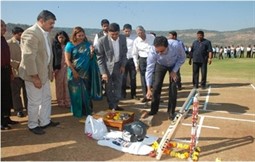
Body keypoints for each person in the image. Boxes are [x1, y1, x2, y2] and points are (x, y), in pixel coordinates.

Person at [19, 10, 59, 135]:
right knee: (35, 101)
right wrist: (35, 77)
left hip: (44, 74)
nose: (52, 26)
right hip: (34, 75)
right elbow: (29, 58)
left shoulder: (46, 33)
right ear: (41, 21)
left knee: (46, 98)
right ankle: (33, 124)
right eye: (50, 23)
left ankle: (45, 121)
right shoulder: (30, 33)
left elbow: (48, 56)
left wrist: (50, 71)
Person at [145, 36, 186, 120]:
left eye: (162, 51)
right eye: (157, 51)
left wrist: (174, 70)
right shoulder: (152, 51)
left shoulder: (176, 45)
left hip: (174, 65)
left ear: (167, 46)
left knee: (173, 87)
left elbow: (182, 58)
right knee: (156, 85)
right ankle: (153, 109)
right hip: (161, 65)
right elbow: (149, 69)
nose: (159, 53)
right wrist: (148, 89)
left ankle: (171, 112)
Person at [65, 27, 100, 118]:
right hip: (73, 73)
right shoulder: (69, 45)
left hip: (86, 73)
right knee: (75, 93)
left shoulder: (88, 44)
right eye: (79, 35)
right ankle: (77, 112)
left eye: (82, 35)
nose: (81, 37)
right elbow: (67, 60)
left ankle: (87, 111)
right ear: (75, 35)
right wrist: (74, 71)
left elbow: (91, 58)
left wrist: (92, 53)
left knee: (86, 93)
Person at [96, 23, 127, 111]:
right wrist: (103, 73)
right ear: (108, 32)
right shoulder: (102, 41)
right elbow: (100, 58)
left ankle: (115, 104)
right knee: (108, 88)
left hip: (119, 66)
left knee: (118, 86)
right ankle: (111, 105)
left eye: (116, 34)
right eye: (112, 34)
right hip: (107, 68)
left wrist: (123, 65)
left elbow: (124, 53)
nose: (114, 36)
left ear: (119, 32)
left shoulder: (123, 38)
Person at [1, 19, 19, 130]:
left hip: (6, 71)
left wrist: (11, 72)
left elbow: (7, 58)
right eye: (1, 26)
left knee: (6, 96)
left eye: (4, 26)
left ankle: (6, 118)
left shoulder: (3, 40)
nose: (4, 28)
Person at [7, 26, 28, 118]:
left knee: (27, 91)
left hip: (26, 71)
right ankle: (18, 109)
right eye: (20, 35)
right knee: (16, 92)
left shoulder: (26, 43)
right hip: (15, 71)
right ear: (14, 34)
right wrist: (18, 64)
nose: (21, 36)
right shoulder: (8, 43)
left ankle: (29, 108)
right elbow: (7, 59)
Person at [132, 26, 155, 103]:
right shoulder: (136, 41)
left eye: (141, 32)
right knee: (143, 78)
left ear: (144, 31)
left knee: (154, 77)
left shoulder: (152, 37)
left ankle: (154, 96)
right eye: (138, 33)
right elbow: (134, 54)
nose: (140, 34)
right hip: (142, 59)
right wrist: (136, 65)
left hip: (152, 58)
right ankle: (146, 96)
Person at [52, 31, 70, 108]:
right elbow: (53, 58)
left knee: (67, 84)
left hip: (68, 67)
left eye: (63, 37)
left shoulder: (68, 46)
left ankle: (68, 101)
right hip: (58, 68)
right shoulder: (54, 46)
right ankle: (60, 101)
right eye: (60, 37)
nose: (61, 39)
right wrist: (54, 68)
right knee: (59, 85)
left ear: (65, 38)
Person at [121, 24, 137, 99]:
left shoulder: (134, 38)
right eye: (126, 31)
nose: (127, 32)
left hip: (132, 60)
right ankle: (122, 93)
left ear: (131, 31)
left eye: (129, 31)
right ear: (123, 30)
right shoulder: (119, 38)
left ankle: (133, 94)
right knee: (123, 78)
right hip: (123, 61)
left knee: (133, 78)